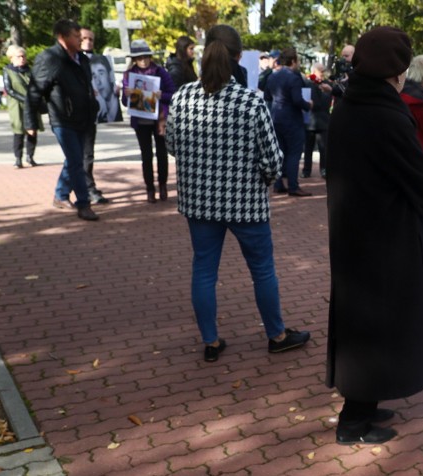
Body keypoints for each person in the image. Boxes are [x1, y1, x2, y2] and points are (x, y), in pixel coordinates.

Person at [326, 26, 423, 445]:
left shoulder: (349, 104)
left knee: (365, 326)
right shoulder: (386, 114)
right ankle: (353, 421)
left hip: (356, 237)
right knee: (376, 330)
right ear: (394, 72)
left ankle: (366, 404)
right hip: (384, 243)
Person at [166, 24, 311, 364]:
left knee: (204, 270)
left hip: (199, 202)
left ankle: (211, 341)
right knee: (262, 270)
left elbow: (172, 146)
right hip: (246, 203)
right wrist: (257, 178)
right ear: (237, 57)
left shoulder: (183, 97)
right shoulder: (250, 101)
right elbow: (273, 160)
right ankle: (276, 335)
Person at [25, 19, 100, 221]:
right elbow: (33, 92)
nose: (81, 40)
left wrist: (95, 105)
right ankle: (83, 204)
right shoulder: (50, 58)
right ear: (63, 37)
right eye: (77, 37)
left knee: (74, 159)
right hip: (63, 120)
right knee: (77, 161)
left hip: (85, 118)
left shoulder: (81, 59)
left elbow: (87, 86)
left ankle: (60, 195)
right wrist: (30, 123)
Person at [122, 39, 176, 203]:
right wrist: (128, 95)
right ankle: (150, 189)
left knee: (162, 154)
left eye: (146, 56)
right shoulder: (129, 75)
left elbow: (173, 93)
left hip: (159, 120)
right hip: (141, 121)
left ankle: (163, 186)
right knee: (146, 156)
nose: (143, 60)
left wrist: (162, 95)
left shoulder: (160, 71)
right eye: (139, 58)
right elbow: (125, 103)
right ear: (134, 60)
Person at [264, 47, 313, 197]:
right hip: (291, 119)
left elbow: (267, 95)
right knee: (294, 153)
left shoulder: (273, 76)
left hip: (276, 117)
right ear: (293, 61)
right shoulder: (293, 77)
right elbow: (297, 100)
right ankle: (293, 186)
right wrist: (308, 105)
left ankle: (278, 184)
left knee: (280, 152)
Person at [81, 27, 115, 206]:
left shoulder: (98, 60)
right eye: (83, 38)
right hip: (75, 116)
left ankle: (85, 187)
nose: (87, 42)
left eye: (91, 39)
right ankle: (85, 189)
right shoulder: (72, 61)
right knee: (79, 157)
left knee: (87, 155)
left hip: (90, 116)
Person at [3, 45, 42, 169]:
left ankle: (30, 157)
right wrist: (25, 99)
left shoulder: (30, 71)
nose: (22, 58)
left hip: (32, 104)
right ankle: (18, 159)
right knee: (19, 131)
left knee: (32, 131)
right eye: (19, 56)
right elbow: (9, 89)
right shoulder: (8, 70)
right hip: (17, 105)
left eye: (23, 56)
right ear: (12, 58)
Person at [302, 63, 331, 178]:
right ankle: (306, 170)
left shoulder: (327, 85)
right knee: (308, 148)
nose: (322, 74)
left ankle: (323, 169)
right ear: (314, 72)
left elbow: (326, 103)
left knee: (323, 148)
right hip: (311, 120)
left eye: (323, 71)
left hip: (322, 120)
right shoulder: (308, 84)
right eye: (320, 71)